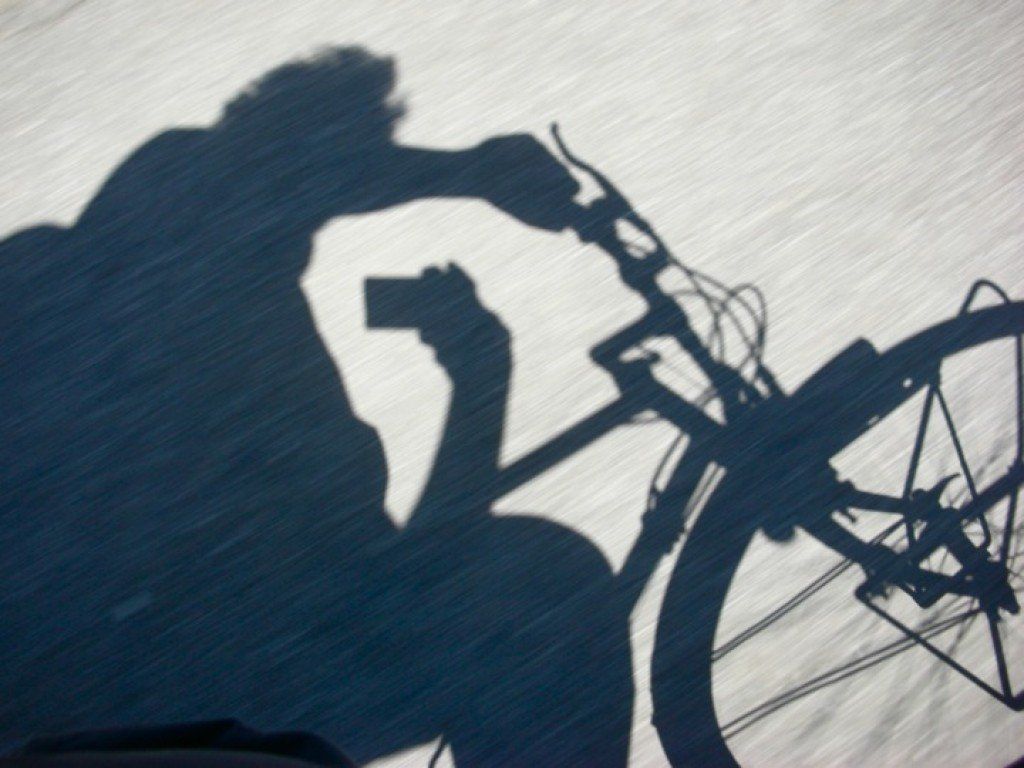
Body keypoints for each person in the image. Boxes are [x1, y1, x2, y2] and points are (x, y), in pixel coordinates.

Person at [0, 47, 632, 765]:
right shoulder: (206, 327)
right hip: (184, 694)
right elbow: (397, 581)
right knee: (543, 581)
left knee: (515, 581)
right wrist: (480, 370)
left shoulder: (116, 278)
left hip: (119, 687)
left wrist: (468, 178)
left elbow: (395, 578)